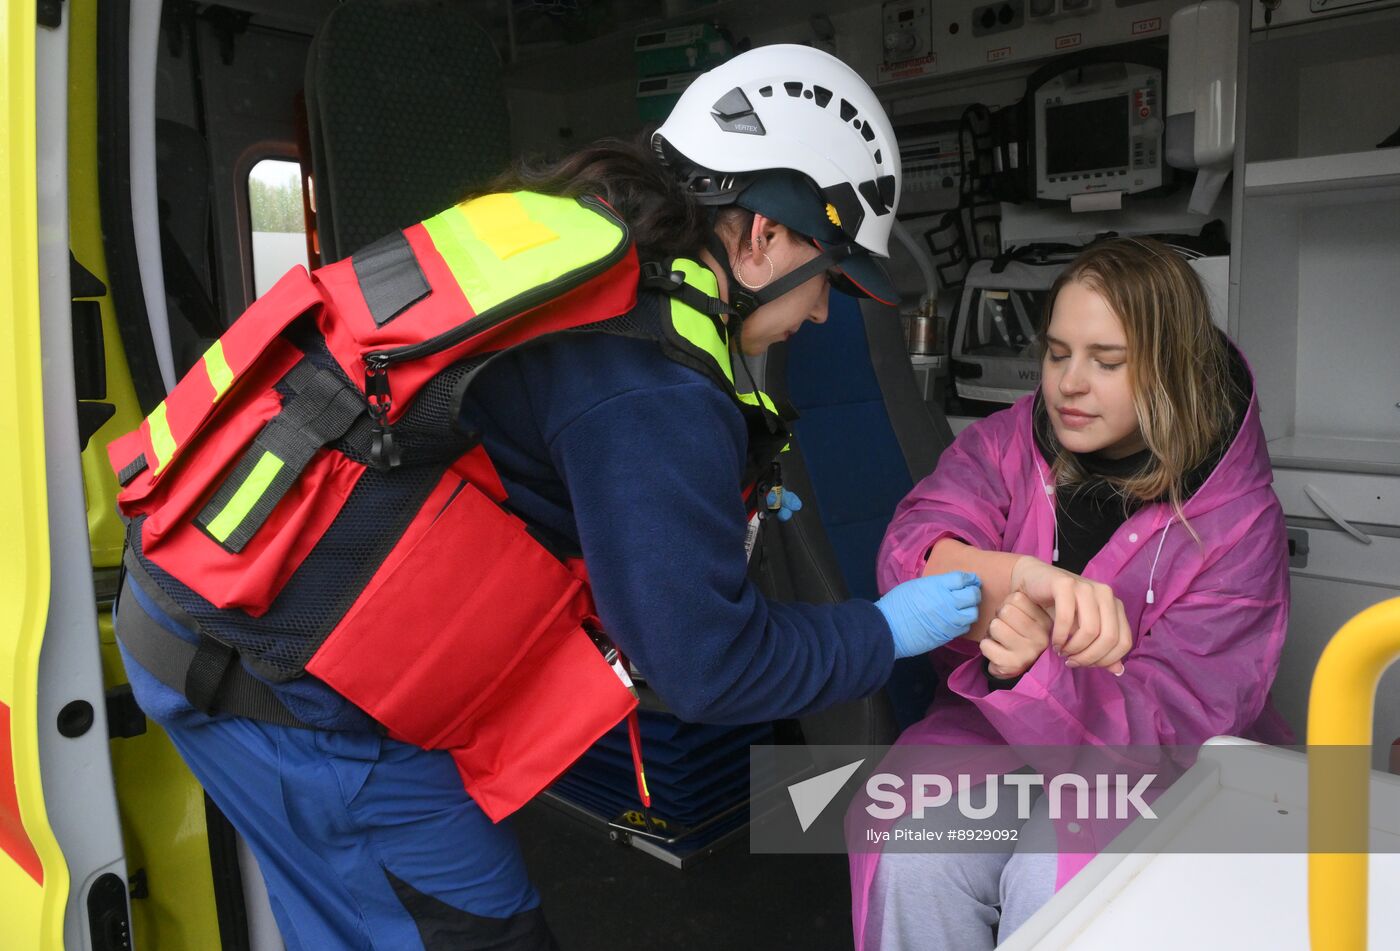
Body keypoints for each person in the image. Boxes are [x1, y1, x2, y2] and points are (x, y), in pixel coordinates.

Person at [108, 45, 982, 951]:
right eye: (829, 273)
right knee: (477, 931)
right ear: (761, 231)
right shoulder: (657, 384)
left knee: (363, 916)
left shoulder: (587, 245)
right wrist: (882, 631)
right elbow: (708, 663)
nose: (824, 314)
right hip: (271, 676)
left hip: (214, 592)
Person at [849, 237, 1295, 950]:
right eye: (1058, 353)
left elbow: (1177, 722)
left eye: (1107, 361)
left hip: (1152, 764)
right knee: (911, 845)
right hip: (990, 736)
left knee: (1055, 877)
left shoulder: (1238, 521)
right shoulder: (1005, 444)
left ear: (1173, 369)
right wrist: (1014, 587)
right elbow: (916, 549)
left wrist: (1034, 667)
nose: (1069, 384)